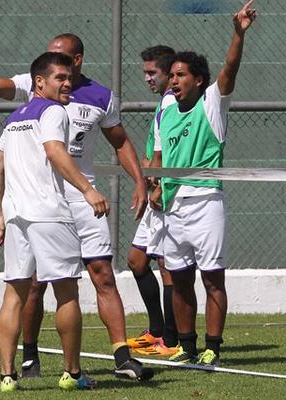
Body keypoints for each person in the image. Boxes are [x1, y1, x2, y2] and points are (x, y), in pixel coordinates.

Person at [0, 33, 152, 380]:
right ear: (41, 80)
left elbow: (119, 141)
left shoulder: (99, 97)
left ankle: (120, 357)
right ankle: (41, 360)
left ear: (77, 61)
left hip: (74, 199)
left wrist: (138, 180)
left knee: (101, 274)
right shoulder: (40, 95)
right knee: (40, 285)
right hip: (50, 201)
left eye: (62, 61)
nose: (57, 70)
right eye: (51, 63)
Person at [0, 51, 108, 392]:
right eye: (60, 78)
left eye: (69, 78)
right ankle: (72, 373)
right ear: (39, 82)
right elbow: (56, 151)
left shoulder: (14, 118)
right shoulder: (54, 111)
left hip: (16, 217)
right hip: (49, 214)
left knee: (14, 293)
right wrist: (88, 189)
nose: (68, 83)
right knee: (66, 291)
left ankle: (7, 376)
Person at [150, 1, 256, 366]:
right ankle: (187, 346)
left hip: (205, 201)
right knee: (179, 280)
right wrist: (154, 187)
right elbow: (160, 161)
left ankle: (213, 346)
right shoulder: (166, 112)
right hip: (172, 206)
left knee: (212, 279)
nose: (173, 80)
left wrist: (238, 33)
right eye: (171, 75)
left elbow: (230, 68)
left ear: (198, 80)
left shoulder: (212, 103)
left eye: (181, 75)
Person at [126, 45, 179, 356]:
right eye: (145, 72)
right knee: (137, 260)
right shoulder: (164, 103)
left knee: (167, 266)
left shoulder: (172, 103)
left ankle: (170, 340)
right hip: (156, 190)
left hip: (166, 195)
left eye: (152, 72)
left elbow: (168, 153)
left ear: (168, 73)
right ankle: (157, 330)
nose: (147, 78)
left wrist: (157, 183)